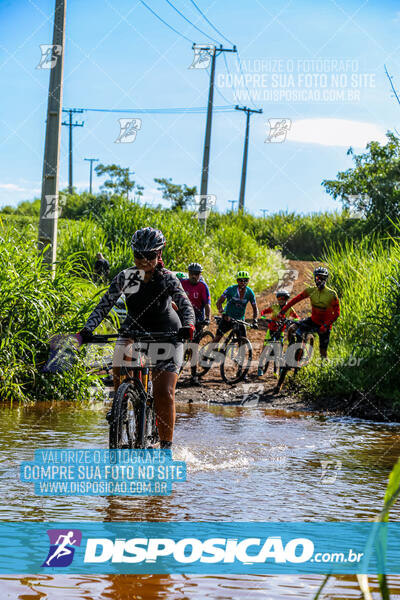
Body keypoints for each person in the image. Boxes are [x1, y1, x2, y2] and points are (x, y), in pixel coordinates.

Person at [78, 227, 195, 449]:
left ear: (160, 254)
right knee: (119, 359)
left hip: (167, 331)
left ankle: (165, 449)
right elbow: (104, 305)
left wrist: (189, 325)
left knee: (164, 392)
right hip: (134, 327)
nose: (144, 261)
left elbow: (185, 304)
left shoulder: (168, 278)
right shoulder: (128, 277)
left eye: (150, 256)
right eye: (139, 255)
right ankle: (122, 405)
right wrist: (87, 330)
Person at [277, 266, 340, 359]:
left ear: (326, 279)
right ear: (315, 278)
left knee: (323, 354)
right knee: (292, 328)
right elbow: (295, 300)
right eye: (318, 278)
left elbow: (337, 313)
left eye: (322, 278)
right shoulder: (310, 291)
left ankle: (323, 367)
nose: (320, 280)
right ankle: (291, 352)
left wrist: (326, 325)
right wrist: (282, 311)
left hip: (325, 326)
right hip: (313, 321)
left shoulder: (332, 294)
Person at [180, 262, 212, 385]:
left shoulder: (203, 287)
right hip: (183, 317)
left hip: (198, 319)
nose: (194, 276)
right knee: (178, 345)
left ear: (200, 275)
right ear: (189, 274)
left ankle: (193, 376)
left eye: (197, 274)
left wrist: (207, 318)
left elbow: (207, 304)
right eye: (192, 274)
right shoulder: (183, 283)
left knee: (193, 348)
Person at [258, 290, 299, 377]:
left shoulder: (289, 308)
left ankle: (280, 369)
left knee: (279, 351)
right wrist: (263, 316)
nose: (281, 300)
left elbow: (296, 317)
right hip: (271, 330)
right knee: (265, 348)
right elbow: (263, 312)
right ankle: (260, 368)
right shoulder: (274, 307)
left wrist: (294, 321)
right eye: (279, 298)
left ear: (286, 299)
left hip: (280, 331)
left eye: (283, 298)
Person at [214, 270, 258, 344]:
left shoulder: (250, 293)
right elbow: (219, 302)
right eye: (241, 280)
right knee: (217, 338)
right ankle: (206, 353)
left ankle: (240, 355)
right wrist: (222, 311)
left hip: (240, 319)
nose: (243, 282)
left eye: (246, 280)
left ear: (248, 281)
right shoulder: (231, 289)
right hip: (228, 317)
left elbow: (255, 308)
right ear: (237, 281)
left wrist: (255, 321)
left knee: (243, 342)